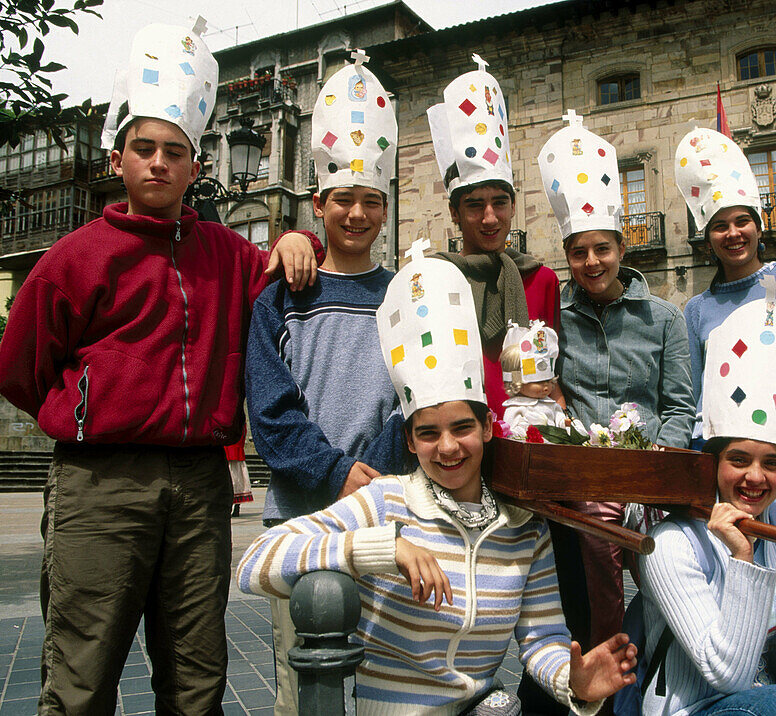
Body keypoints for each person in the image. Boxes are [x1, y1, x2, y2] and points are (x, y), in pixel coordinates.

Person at [0, 20, 322, 714]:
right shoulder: (73, 259)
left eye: (174, 152)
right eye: (143, 149)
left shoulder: (228, 256)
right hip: (99, 484)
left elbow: (281, 279)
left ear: (194, 168)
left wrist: (299, 236)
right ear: (118, 160)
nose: (158, 163)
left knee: (197, 677)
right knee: (82, 676)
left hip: (199, 484)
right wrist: (83, 408)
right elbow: (20, 368)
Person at [237, 242, 638, 714]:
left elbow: (542, 640)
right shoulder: (385, 503)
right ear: (409, 441)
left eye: (463, 428)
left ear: (489, 428)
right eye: (428, 433)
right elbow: (254, 562)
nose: (447, 447)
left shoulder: (523, 529)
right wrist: (384, 548)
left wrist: (575, 680)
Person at [244, 51, 405, 714]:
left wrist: (367, 474)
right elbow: (272, 408)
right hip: (298, 518)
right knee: (301, 684)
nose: (358, 213)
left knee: (382, 682)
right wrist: (334, 472)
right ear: (319, 203)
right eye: (345, 199)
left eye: (372, 200)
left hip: (385, 513)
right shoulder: (280, 298)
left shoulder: (406, 299)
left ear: (386, 207)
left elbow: (416, 405)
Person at [637, 292, 776, 716]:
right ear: (713, 464)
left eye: (772, 463)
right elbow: (727, 676)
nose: (756, 477)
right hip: (694, 709)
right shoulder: (670, 544)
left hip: (769, 705)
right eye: (739, 460)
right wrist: (742, 559)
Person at [539, 112, 696, 660]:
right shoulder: (553, 316)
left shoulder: (664, 319)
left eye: (601, 248)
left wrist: (655, 456)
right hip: (582, 473)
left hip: (650, 469)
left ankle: (665, 653)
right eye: (578, 252)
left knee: (668, 569)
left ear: (621, 249)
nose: (591, 262)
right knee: (595, 530)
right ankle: (607, 653)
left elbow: (679, 406)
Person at [675, 128, 776, 535]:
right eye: (720, 226)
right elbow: (698, 394)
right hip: (722, 472)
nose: (733, 234)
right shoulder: (697, 309)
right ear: (707, 238)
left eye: (742, 221)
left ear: (759, 226)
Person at [426, 53, 561, 415]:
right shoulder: (436, 281)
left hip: (525, 441)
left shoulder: (543, 281)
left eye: (500, 203)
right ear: (454, 212)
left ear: (514, 206)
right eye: (474, 205)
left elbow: (553, 376)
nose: (489, 218)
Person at [500, 320, 569, 435]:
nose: (546, 387)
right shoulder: (516, 408)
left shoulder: (551, 404)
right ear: (518, 383)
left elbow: (559, 417)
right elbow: (511, 432)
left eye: (548, 381)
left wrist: (563, 423)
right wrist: (522, 431)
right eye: (538, 382)